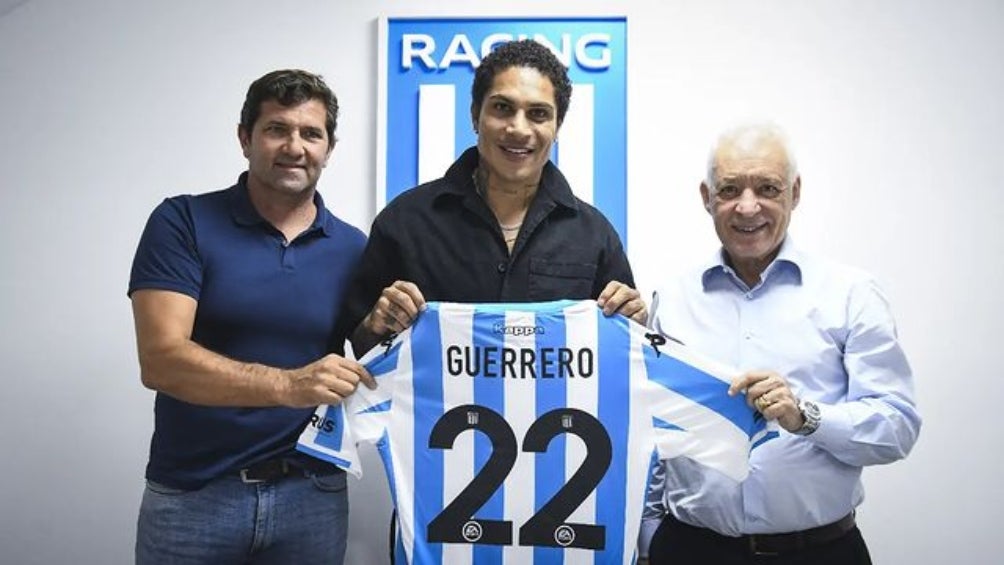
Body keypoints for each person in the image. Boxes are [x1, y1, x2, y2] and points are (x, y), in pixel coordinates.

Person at [640, 123, 921, 565]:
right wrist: (649, 536)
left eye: (767, 188)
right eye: (730, 189)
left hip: (819, 552)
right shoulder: (672, 299)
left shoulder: (851, 293)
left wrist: (805, 416)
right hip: (689, 549)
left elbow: (897, 428)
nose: (747, 207)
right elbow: (655, 432)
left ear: (794, 193)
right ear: (706, 197)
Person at [128, 69, 374, 564]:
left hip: (313, 497)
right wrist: (288, 385)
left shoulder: (354, 247)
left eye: (311, 133)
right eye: (276, 129)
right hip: (196, 496)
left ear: (330, 148)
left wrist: (392, 320)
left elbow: (376, 356)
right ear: (245, 138)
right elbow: (161, 361)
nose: (294, 146)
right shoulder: (183, 222)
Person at [343, 38, 646, 358]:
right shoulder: (404, 221)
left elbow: (623, 357)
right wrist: (374, 325)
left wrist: (634, 324)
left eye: (538, 114)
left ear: (557, 127)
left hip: (559, 411)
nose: (518, 128)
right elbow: (358, 344)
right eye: (502, 108)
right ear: (476, 115)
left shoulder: (595, 235)